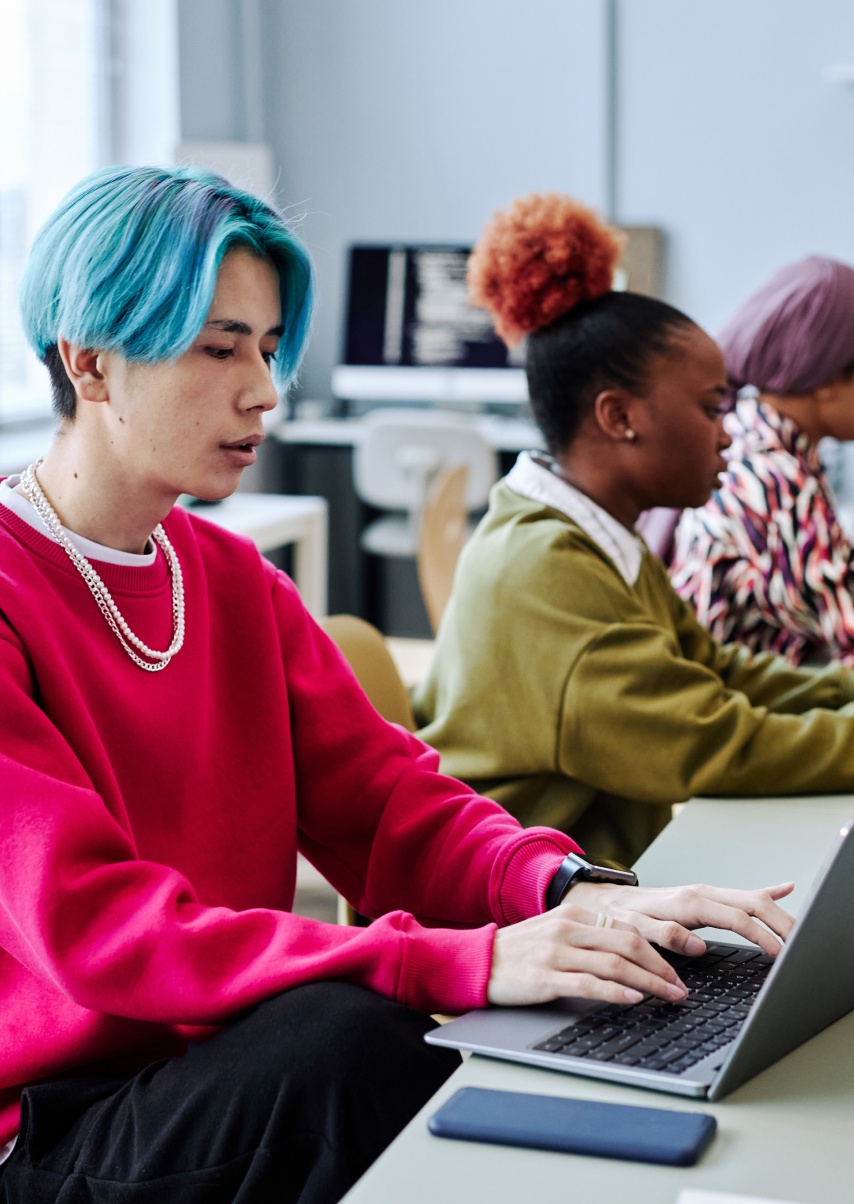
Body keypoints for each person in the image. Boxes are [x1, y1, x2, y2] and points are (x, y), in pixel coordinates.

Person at [0, 167, 793, 1204]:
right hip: (64, 1122)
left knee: (549, 1010)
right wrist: (451, 961)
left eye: (270, 347)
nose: (265, 391)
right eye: (219, 347)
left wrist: (574, 894)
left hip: (232, 1057)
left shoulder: (234, 581)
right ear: (91, 364)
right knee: (363, 1026)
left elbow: (391, 805)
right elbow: (101, 933)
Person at [413, 193, 854, 868]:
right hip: (512, 923)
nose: (730, 431)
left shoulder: (589, 535)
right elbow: (713, 744)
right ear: (619, 417)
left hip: (596, 887)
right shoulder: (546, 571)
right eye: (712, 408)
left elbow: (716, 671)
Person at [670, 255, 854, 665]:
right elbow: (847, 629)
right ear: (826, 382)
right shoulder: (776, 477)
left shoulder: (753, 438)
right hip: (739, 711)